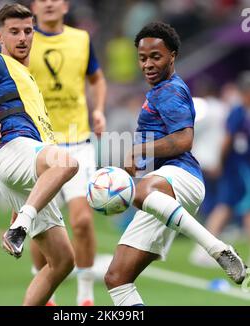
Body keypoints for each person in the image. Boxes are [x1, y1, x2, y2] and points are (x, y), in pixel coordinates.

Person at [104, 22, 249, 306]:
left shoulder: (169, 90)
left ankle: (215, 247)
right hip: (164, 185)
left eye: (155, 57)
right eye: (143, 58)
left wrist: (138, 150)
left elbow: (184, 140)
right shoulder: (157, 92)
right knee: (117, 278)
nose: (147, 64)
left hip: (182, 177)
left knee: (136, 190)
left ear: (172, 56)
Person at [0, 3, 78, 306]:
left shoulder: (27, 78)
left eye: (28, 31)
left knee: (62, 262)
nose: (22, 37)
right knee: (67, 161)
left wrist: (19, 200)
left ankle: (19, 221)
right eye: (14, 32)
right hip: (13, 149)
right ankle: (20, 226)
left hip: (24, 168)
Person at [28, 0, 107, 306]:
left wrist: (98, 110)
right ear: (33, 6)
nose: (48, 3)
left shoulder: (81, 39)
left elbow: (97, 78)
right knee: (42, 225)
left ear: (65, 5)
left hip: (78, 142)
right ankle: (47, 292)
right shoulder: (22, 42)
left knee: (82, 222)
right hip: (39, 145)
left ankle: (85, 296)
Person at [191, 71, 250, 267]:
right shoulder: (237, 112)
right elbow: (227, 140)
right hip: (236, 169)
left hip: (242, 167)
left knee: (239, 208)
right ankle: (203, 249)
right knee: (224, 205)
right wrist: (220, 162)